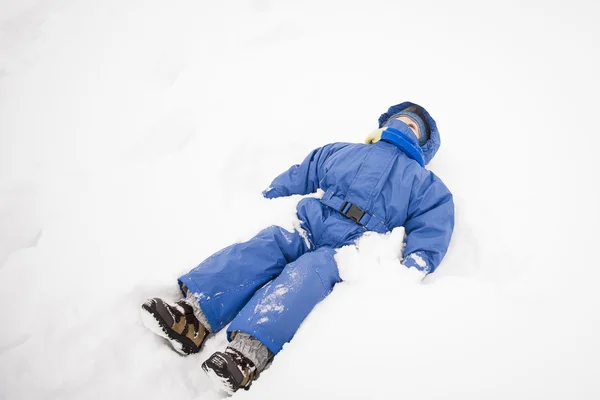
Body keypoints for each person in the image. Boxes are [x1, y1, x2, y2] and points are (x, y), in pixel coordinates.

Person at [141, 101, 455, 393]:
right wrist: (270, 195)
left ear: (423, 146)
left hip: (349, 246)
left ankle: (246, 355)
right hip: (309, 220)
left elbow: (432, 227)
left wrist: (415, 265)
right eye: (400, 121)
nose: (404, 128)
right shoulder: (345, 151)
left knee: (307, 275)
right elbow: (305, 172)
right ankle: (194, 316)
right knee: (265, 246)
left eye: (413, 128)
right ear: (383, 124)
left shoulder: (424, 182)